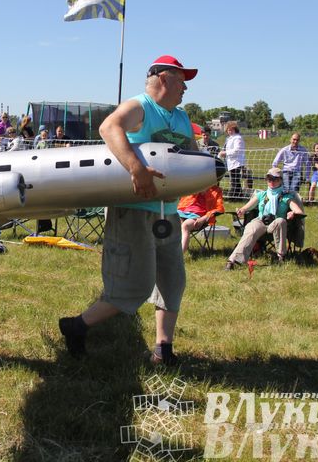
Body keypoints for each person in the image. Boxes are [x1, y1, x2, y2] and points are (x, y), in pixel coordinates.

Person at [58, 54, 199, 366]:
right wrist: (136, 168)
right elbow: (109, 127)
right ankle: (76, 326)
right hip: (132, 209)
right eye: (181, 79)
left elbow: (192, 153)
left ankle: (163, 350)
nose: (186, 87)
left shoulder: (180, 117)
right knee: (133, 287)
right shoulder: (141, 106)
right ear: (163, 78)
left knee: (172, 281)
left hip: (169, 212)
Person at [224, 167, 304, 269]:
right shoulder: (261, 195)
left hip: (275, 224)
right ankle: (233, 261)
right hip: (261, 221)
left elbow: (299, 211)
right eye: (269, 179)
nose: (272, 181)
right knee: (251, 228)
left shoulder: (286, 196)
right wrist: (241, 211)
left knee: (281, 221)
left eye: (275, 179)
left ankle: (281, 257)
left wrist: (292, 213)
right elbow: (246, 207)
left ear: (280, 180)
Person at [177, 184, 225, 253]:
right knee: (172, 223)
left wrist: (204, 218)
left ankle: (180, 255)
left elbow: (219, 209)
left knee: (185, 226)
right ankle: (170, 251)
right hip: (182, 212)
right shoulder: (195, 185)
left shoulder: (216, 190)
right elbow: (182, 200)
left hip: (198, 216)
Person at [219, 121, 252, 200]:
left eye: (231, 130)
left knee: (235, 180)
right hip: (230, 161)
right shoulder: (229, 138)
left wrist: (226, 153)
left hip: (237, 162)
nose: (229, 131)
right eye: (228, 130)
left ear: (235, 129)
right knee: (234, 180)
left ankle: (234, 196)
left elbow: (237, 150)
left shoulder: (238, 138)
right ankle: (238, 196)